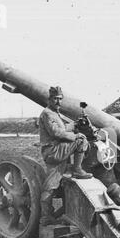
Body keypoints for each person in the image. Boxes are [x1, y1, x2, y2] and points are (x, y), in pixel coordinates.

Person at [38, 86, 92, 227]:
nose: (58, 101)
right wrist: (76, 135)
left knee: (51, 184)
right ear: (49, 99)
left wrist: (74, 125)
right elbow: (56, 133)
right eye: (55, 99)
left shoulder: (54, 113)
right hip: (53, 151)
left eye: (60, 99)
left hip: (55, 150)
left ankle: (46, 216)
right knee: (81, 140)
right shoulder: (48, 113)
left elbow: (62, 129)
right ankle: (77, 169)